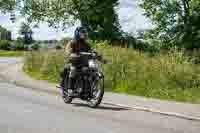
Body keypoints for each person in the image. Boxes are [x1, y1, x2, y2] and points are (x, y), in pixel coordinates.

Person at [59, 26, 103, 96]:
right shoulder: (72, 42)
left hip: (84, 63)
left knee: (91, 70)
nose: (84, 34)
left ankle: (88, 89)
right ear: (77, 33)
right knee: (73, 70)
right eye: (82, 32)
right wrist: (72, 54)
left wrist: (99, 57)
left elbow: (92, 51)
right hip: (74, 62)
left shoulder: (86, 44)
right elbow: (68, 50)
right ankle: (70, 89)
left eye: (85, 32)